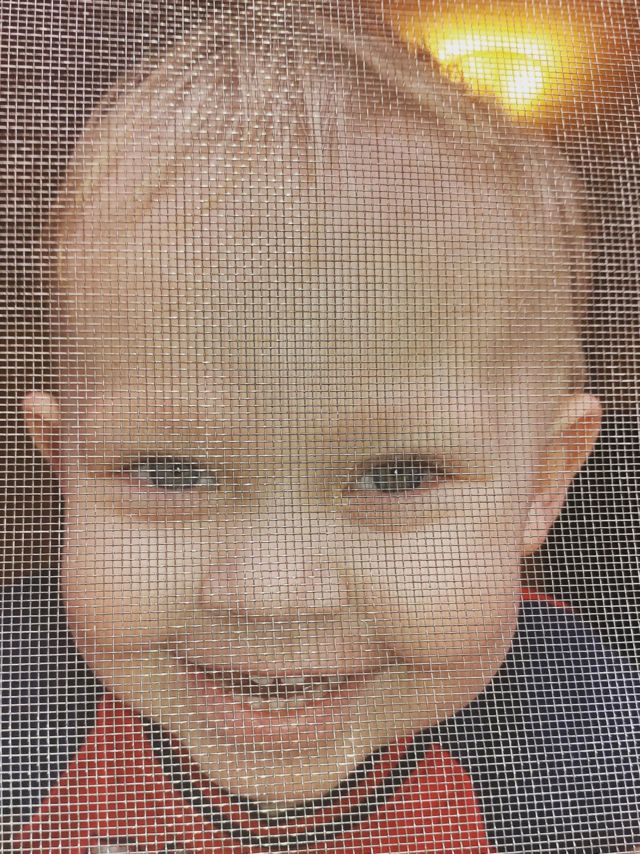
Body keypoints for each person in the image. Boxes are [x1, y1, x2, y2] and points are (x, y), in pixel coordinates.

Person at [4, 1, 639, 850]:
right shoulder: (21, 713)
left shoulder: (587, 751)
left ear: (543, 482)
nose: (271, 594)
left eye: (397, 476)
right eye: (171, 471)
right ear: (64, 464)